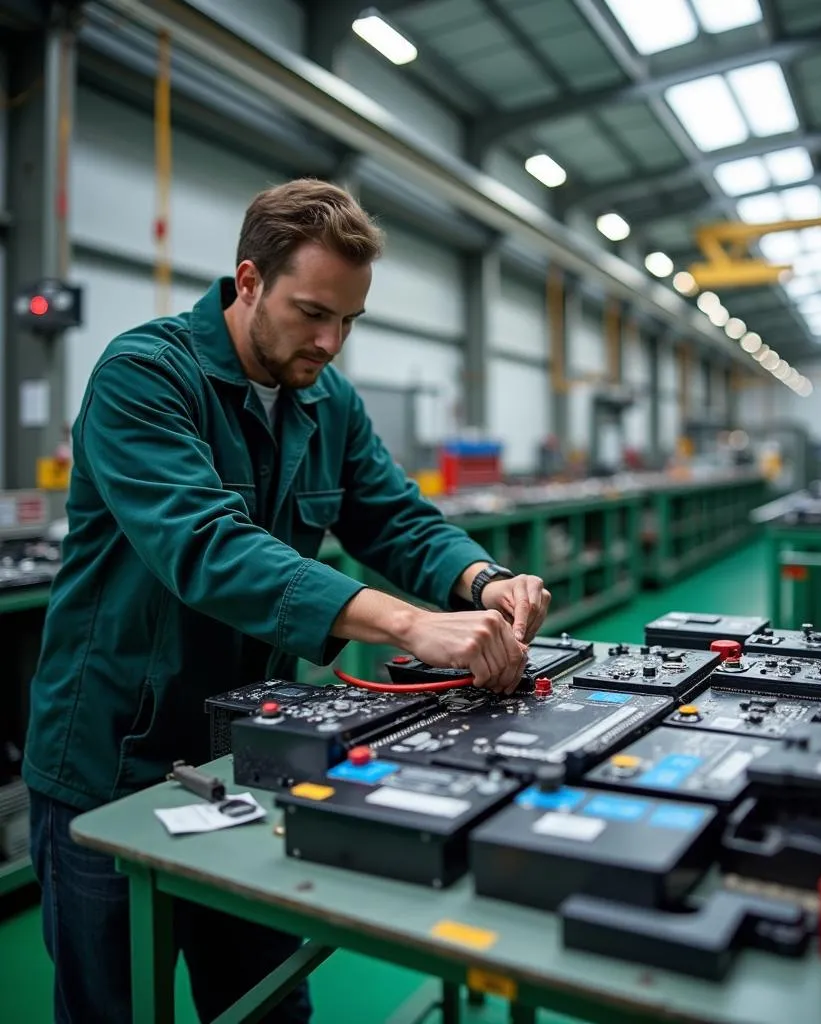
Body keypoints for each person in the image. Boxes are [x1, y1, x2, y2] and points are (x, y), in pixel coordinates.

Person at [22, 178, 551, 1024]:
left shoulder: (325, 398)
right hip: (113, 754)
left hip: (250, 751)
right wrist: (412, 622)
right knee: (110, 1008)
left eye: (348, 321)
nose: (330, 341)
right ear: (248, 282)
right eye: (312, 313)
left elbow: (397, 516)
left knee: (266, 1004)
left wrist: (482, 580)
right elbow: (209, 546)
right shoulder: (143, 377)